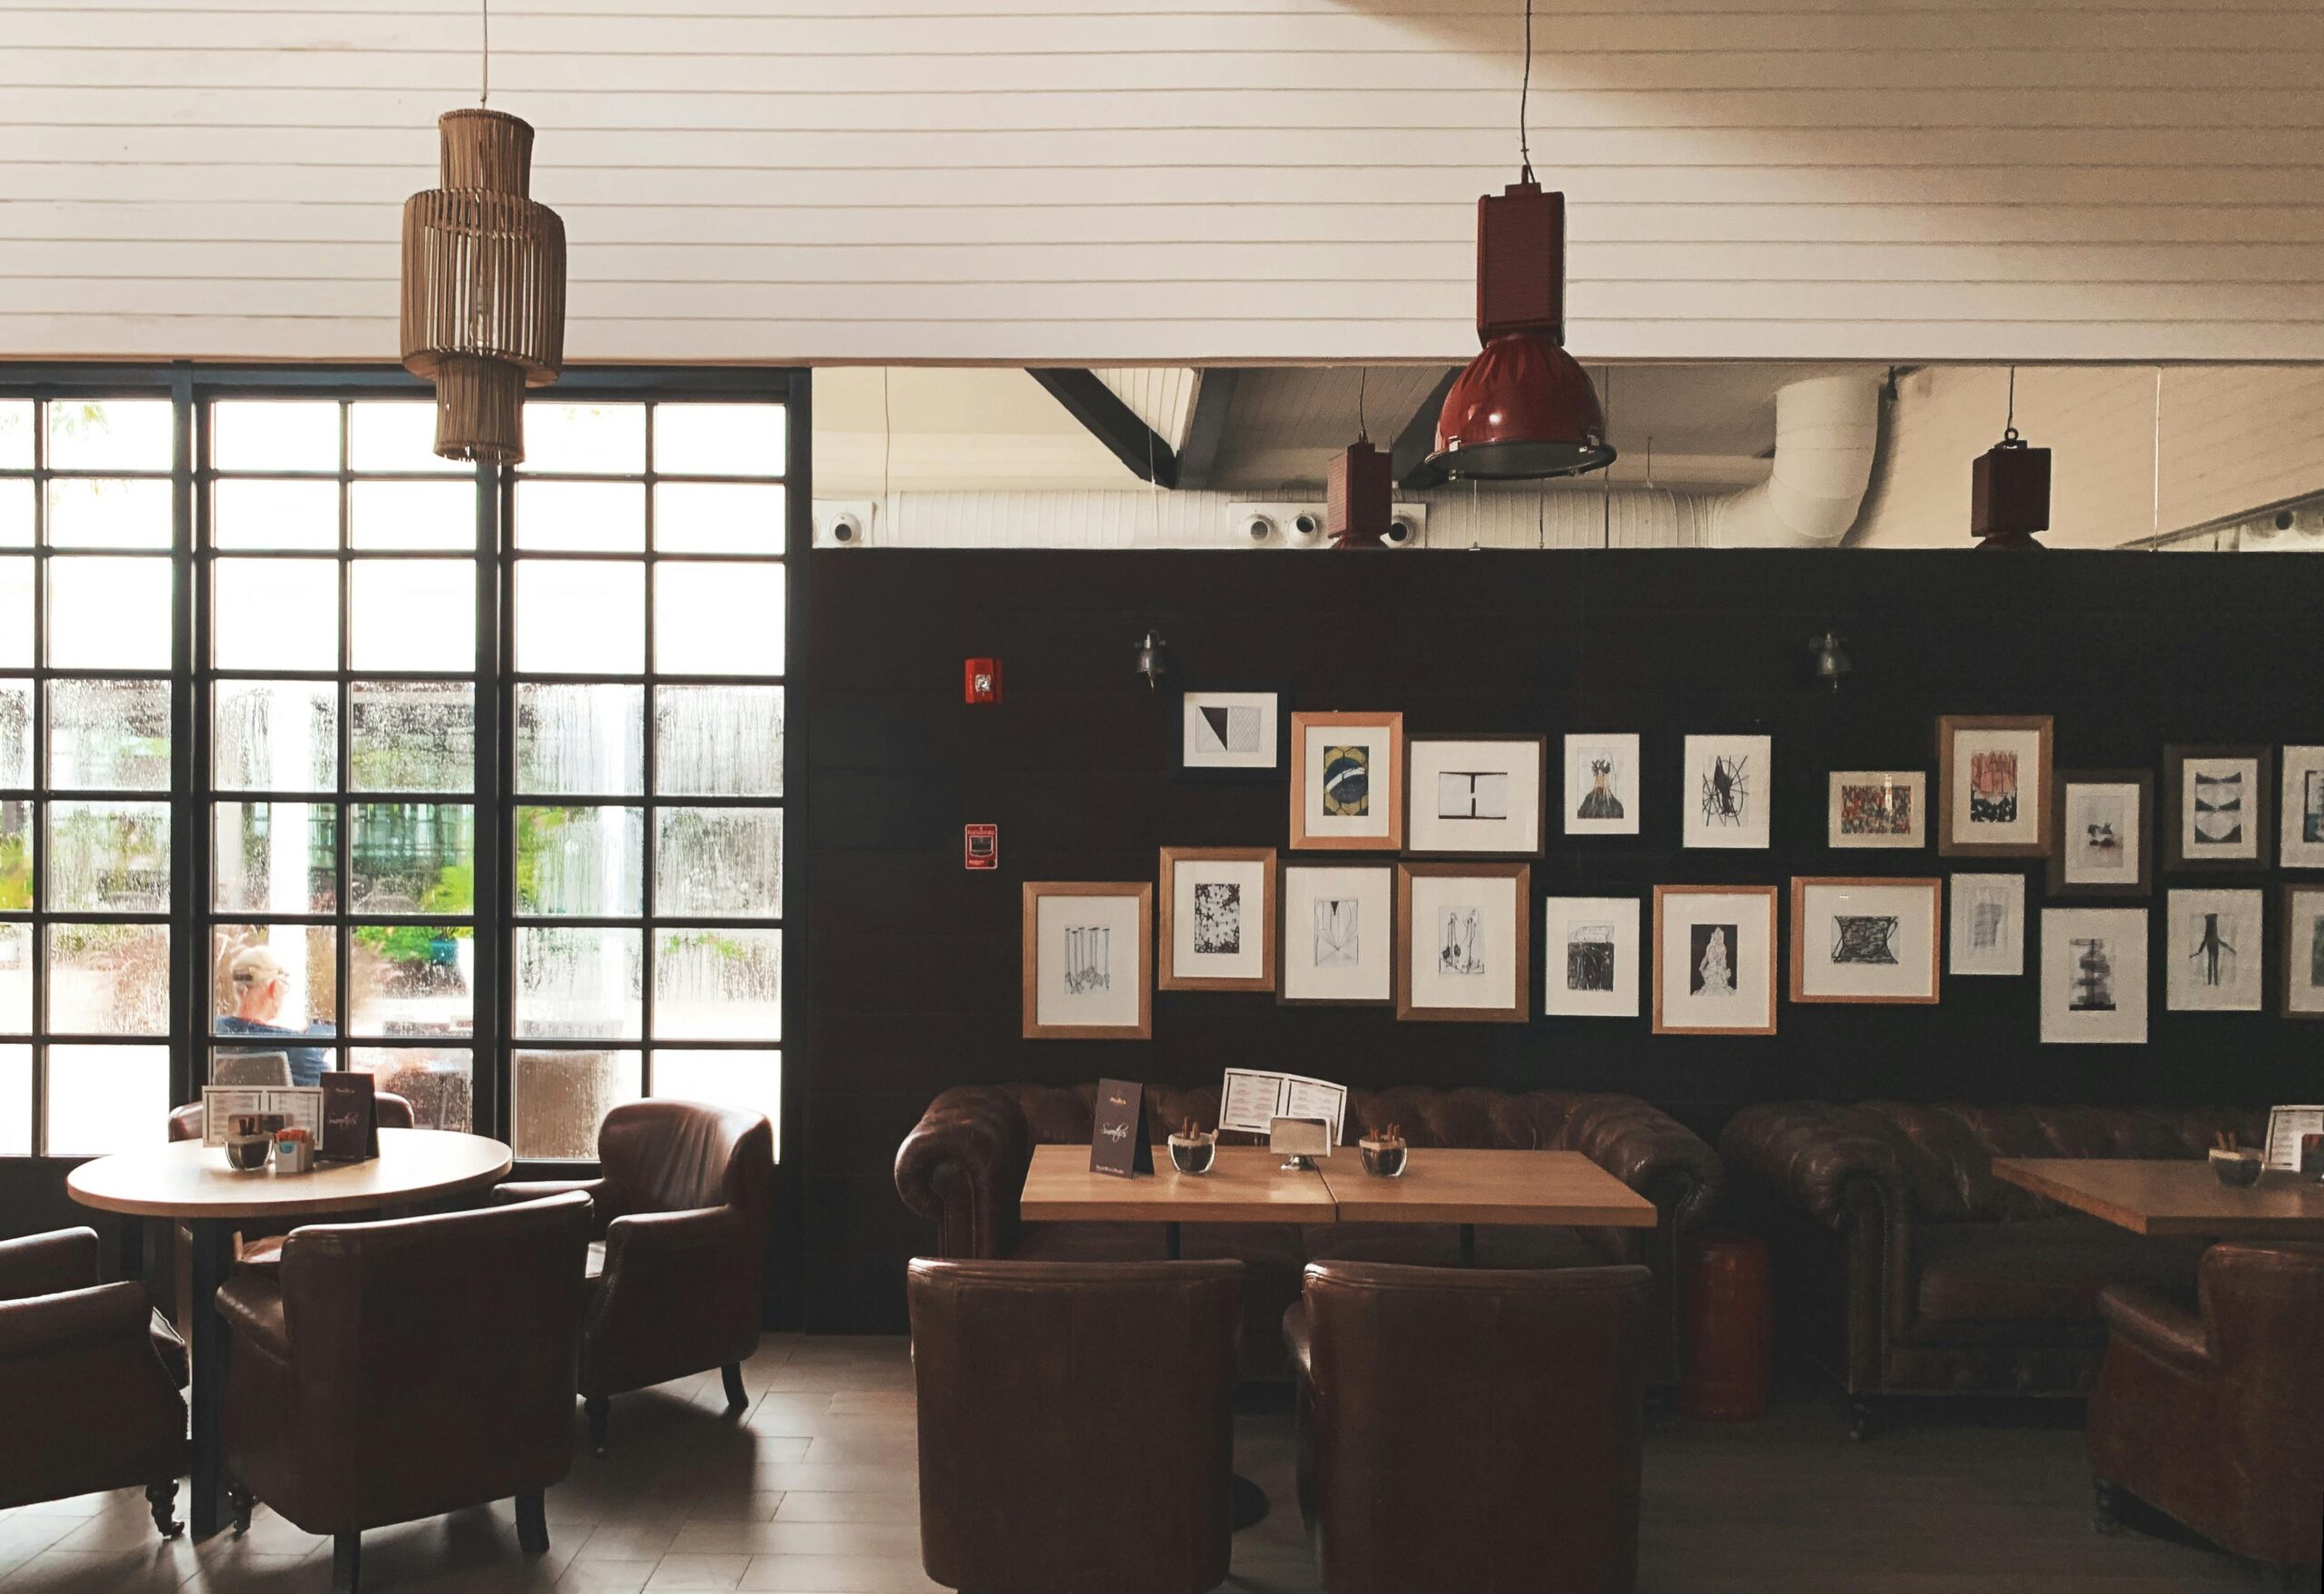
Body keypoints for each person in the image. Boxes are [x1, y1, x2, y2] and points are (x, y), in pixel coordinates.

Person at [215, 946, 333, 1087]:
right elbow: (333, 1088)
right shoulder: (296, 1048)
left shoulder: (214, 1030)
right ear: (273, 987)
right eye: (284, 984)